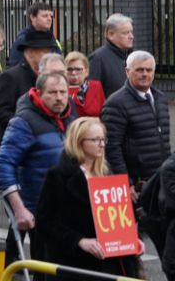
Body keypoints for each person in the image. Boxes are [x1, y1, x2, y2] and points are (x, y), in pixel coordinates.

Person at [35, 117, 141, 276]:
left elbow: (122, 218)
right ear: (79, 142)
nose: (102, 144)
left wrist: (132, 241)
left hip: (111, 263)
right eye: (95, 140)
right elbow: (44, 222)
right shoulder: (58, 176)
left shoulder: (107, 173)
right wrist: (78, 241)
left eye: (103, 139)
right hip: (75, 263)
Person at [0, 71, 74, 264]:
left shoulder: (71, 120)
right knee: (46, 270)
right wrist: (19, 209)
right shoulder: (23, 123)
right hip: (41, 212)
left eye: (63, 92)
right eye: (52, 92)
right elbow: (3, 164)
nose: (59, 98)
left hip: (69, 211)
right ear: (38, 92)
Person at [102, 50, 170, 253]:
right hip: (132, 185)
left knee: (164, 243)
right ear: (127, 71)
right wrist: (125, 182)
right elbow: (111, 147)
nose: (145, 74)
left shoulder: (159, 98)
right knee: (122, 246)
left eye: (149, 70)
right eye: (139, 70)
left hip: (158, 183)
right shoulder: (116, 103)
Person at [0, 28, 58, 143]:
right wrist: (26, 124)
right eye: (44, 51)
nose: (49, 55)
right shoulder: (11, 77)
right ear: (30, 52)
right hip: (15, 144)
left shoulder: (49, 75)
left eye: (50, 51)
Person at [88, 13, 134, 97]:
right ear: (111, 34)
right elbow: (92, 96)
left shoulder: (131, 57)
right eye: (125, 33)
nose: (131, 36)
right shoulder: (98, 58)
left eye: (131, 32)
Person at [7, 2, 60, 68]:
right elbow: (14, 65)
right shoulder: (23, 39)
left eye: (50, 16)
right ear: (32, 17)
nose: (49, 19)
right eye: (45, 16)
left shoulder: (51, 37)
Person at [65, 51, 104, 117]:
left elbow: (103, 112)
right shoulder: (61, 90)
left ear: (87, 71)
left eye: (78, 69)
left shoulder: (96, 86)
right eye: (69, 69)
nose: (73, 73)